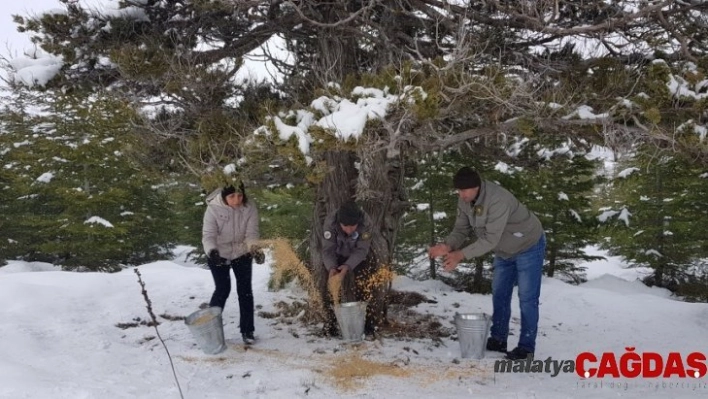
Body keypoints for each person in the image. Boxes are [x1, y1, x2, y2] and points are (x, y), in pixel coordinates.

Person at [428, 167, 546, 360]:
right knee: (499, 294)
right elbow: (461, 229)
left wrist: (460, 255)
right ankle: (498, 339)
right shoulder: (465, 200)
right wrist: (447, 245)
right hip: (504, 250)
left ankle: (526, 348)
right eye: (458, 191)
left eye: (464, 190)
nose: (461, 194)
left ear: (476, 187)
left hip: (528, 245)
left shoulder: (497, 199)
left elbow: (490, 239)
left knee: (527, 298)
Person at [202, 181, 260, 344]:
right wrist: (212, 251)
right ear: (224, 196)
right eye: (232, 196)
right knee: (222, 289)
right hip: (218, 252)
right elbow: (208, 235)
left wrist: (254, 249)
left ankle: (247, 330)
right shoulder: (213, 209)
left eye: (240, 195)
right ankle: (211, 332)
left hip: (241, 252)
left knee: (245, 291)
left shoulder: (249, 208)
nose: (237, 200)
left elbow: (252, 233)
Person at [321, 200, 378, 336]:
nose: (349, 230)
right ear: (339, 223)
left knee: (365, 285)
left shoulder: (366, 223)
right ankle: (332, 323)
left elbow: (361, 250)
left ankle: (368, 325)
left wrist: (347, 267)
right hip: (336, 255)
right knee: (329, 287)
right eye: (345, 226)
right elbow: (328, 250)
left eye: (353, 226)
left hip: (358, 256)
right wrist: (332, 268)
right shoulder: (330, 223)